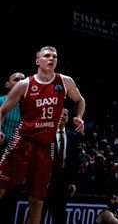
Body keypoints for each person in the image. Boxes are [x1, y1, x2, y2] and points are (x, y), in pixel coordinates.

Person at [0, 46, 86, 224]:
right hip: (22, 142)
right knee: (1, 186)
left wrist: (79, 117)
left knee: (37, 200)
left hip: (46, 147)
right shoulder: (25, 84)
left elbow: (80, 100)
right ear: (37, 61)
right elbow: (1, 111)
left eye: (54, 56)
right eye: (47, 55)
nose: (51, 58)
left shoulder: (65, 81)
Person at [43, 109, 78, 224]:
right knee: (40, 215)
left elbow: (73, 161)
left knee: (59, 217)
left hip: (63, 184)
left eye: (65, 114)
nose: (62, 115)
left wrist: (72, 182)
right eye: (60, 112)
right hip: (46, 182)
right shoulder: (47, 133)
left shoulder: (72, 136)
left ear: (68, 118)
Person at [0, 71, 25, 154]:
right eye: (16, 79)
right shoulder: (1, 101)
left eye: (23, 80)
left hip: (21, 150)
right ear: (7, 84)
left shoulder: (30, 104)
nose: (20, 82)